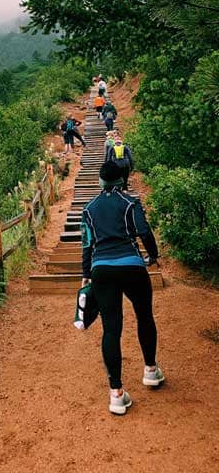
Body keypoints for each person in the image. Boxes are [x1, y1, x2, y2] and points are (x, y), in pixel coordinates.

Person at [81, 161, 164, 415]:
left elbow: (87, 244)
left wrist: (86, 275)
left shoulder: (88, 209)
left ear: (100, 180)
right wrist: (153, 255)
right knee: (144, 316)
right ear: (121, 180)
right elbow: (144, 231)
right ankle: (151, 370)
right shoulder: (130, 203)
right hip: (131, 265)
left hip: (101, 269)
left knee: (111, 328)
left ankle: (116, 393)